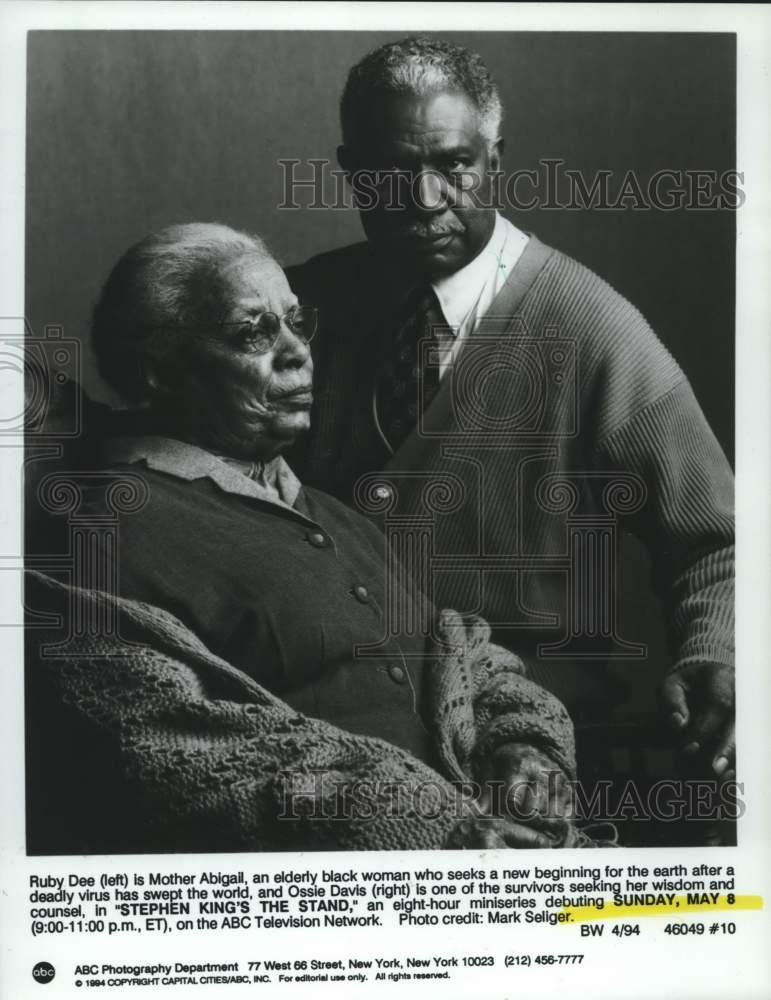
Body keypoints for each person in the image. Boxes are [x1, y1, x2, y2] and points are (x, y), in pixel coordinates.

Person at [24, 222, 588, 854]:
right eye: (253, 333)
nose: (298, 352)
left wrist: (523, 746)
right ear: (159, 371)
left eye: (296, 323)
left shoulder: (336, 516)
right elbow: (166, 752)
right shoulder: (109, 525)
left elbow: (458, 659)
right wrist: (439, 832)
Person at [286, 36, 735, 781]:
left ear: (495, 160)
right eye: (393, 171)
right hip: (340, 741)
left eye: (453, 165)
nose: (426, 199)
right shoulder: (299, 308)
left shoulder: (591, 327)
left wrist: (716, 652)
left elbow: (719, 542)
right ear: (349, 173)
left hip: (538, 744)